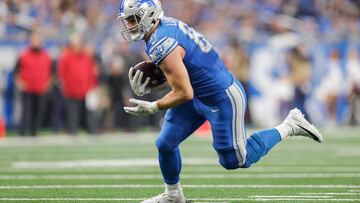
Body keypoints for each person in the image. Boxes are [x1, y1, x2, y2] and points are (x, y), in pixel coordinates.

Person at [120, 1, 323, 202]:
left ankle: (290, 125)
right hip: (198, 93)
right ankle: (173, 196)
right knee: (165, 143)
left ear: (150, 14)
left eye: (133, 19)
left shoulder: (162, 42)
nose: (129, 25)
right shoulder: (162, 29)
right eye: (127, 20)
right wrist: (151, 87)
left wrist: (153, 106)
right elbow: (183, 75)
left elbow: (184, 92)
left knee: (235, 161)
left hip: (221, 97)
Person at [58, 33, 98, 135]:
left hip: (86, 90)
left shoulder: (86, 57)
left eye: (79, 44)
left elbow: (91, 73)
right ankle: (72, 132)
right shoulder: (66, 57)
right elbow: (62, 74)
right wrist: (66, 87)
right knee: (72, 114)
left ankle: (92, 131)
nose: (77, 46)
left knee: (89, 113)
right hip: (71, 91)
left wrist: (92, 86)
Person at [14, 32, 52, 136]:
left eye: (37, 40)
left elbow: (52, 72)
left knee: (38, 111)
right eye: (34, 40)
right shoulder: (23, 55)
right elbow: (16, 71)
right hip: (27, 88)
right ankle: (23, 132)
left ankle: (34, 132)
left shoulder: (46, 56)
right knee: (26, 112)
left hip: (40, 89)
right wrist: (19, 83)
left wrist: (48, 84)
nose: (36, 43)